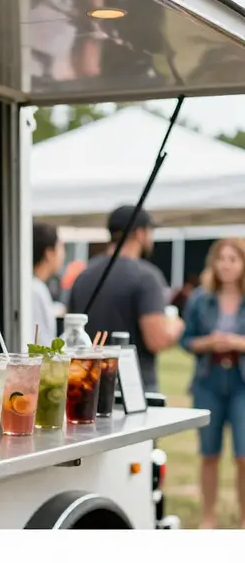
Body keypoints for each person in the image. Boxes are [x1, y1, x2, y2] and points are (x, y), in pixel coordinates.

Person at [67, 205, 184, 391]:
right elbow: (157, 340)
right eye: (150, 231)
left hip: (88, 385)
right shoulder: (146, 277)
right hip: (134, 388)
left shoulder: (84, 275)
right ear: (139, 233)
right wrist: (177, 326)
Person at [179, 238, 245, 529]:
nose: (227, 264)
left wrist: (236, 342)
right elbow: (185, 339)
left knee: (243, 456)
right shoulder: (200, 299)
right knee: (209, 453)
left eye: (233, 259)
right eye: (222, 259)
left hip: (241, 382)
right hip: (209, 380)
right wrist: (208, 343)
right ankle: (208, 518)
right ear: (214, 263)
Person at [32, 222, 64, 345]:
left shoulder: (35, 286)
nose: (63, 254)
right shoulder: (36, 289)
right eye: (61, 247)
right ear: (49, 253)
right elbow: (43, 342)